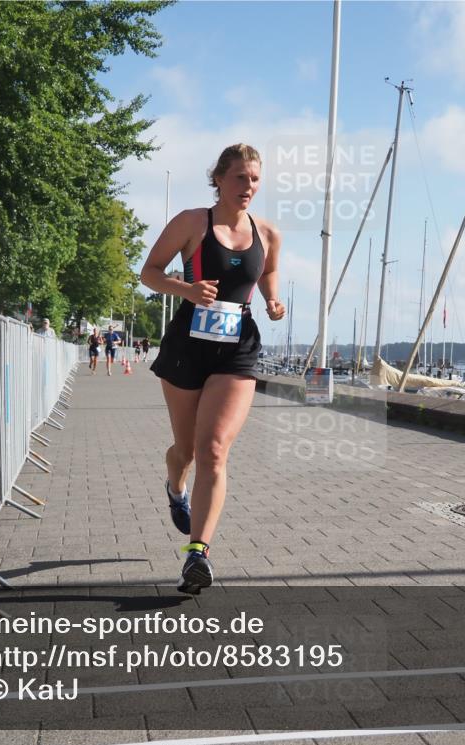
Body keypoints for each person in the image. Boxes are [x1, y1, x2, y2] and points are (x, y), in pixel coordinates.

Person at [141, 143, 285, 594]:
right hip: (188, 346)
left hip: (237, 349)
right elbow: (149, 272)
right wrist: (185, 289)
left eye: (255, 179)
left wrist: (273, 302)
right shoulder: (191, 222)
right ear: (219, 179)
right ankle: (174, 486)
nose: (248, 187)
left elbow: (267, 275)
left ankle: (196, 554)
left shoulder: (267, 232)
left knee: (214, 450)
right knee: (185, 450)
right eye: (240, 177)